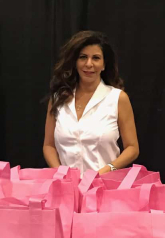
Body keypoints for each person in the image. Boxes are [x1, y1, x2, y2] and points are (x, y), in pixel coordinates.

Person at [43, 31, 139, 176]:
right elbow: (48, 145)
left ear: (104, 64)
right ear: (75, 62)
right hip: (67, 188)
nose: (89, 64)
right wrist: (60, 174)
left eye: (96, 58)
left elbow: (132, 148)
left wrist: (106, 171)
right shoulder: (58, 99)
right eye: (83, 57)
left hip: (104, 187)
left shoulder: (117, 98)